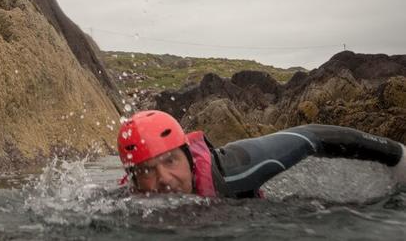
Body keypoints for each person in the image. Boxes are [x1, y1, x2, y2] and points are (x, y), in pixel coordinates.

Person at [117, 110, 406, 197]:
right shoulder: (125, 205)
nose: (163, 178)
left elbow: (312, 136)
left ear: (189, 158)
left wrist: (397, 156)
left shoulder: (235, 170)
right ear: (132, 180)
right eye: (146, 170)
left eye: (170, 161)